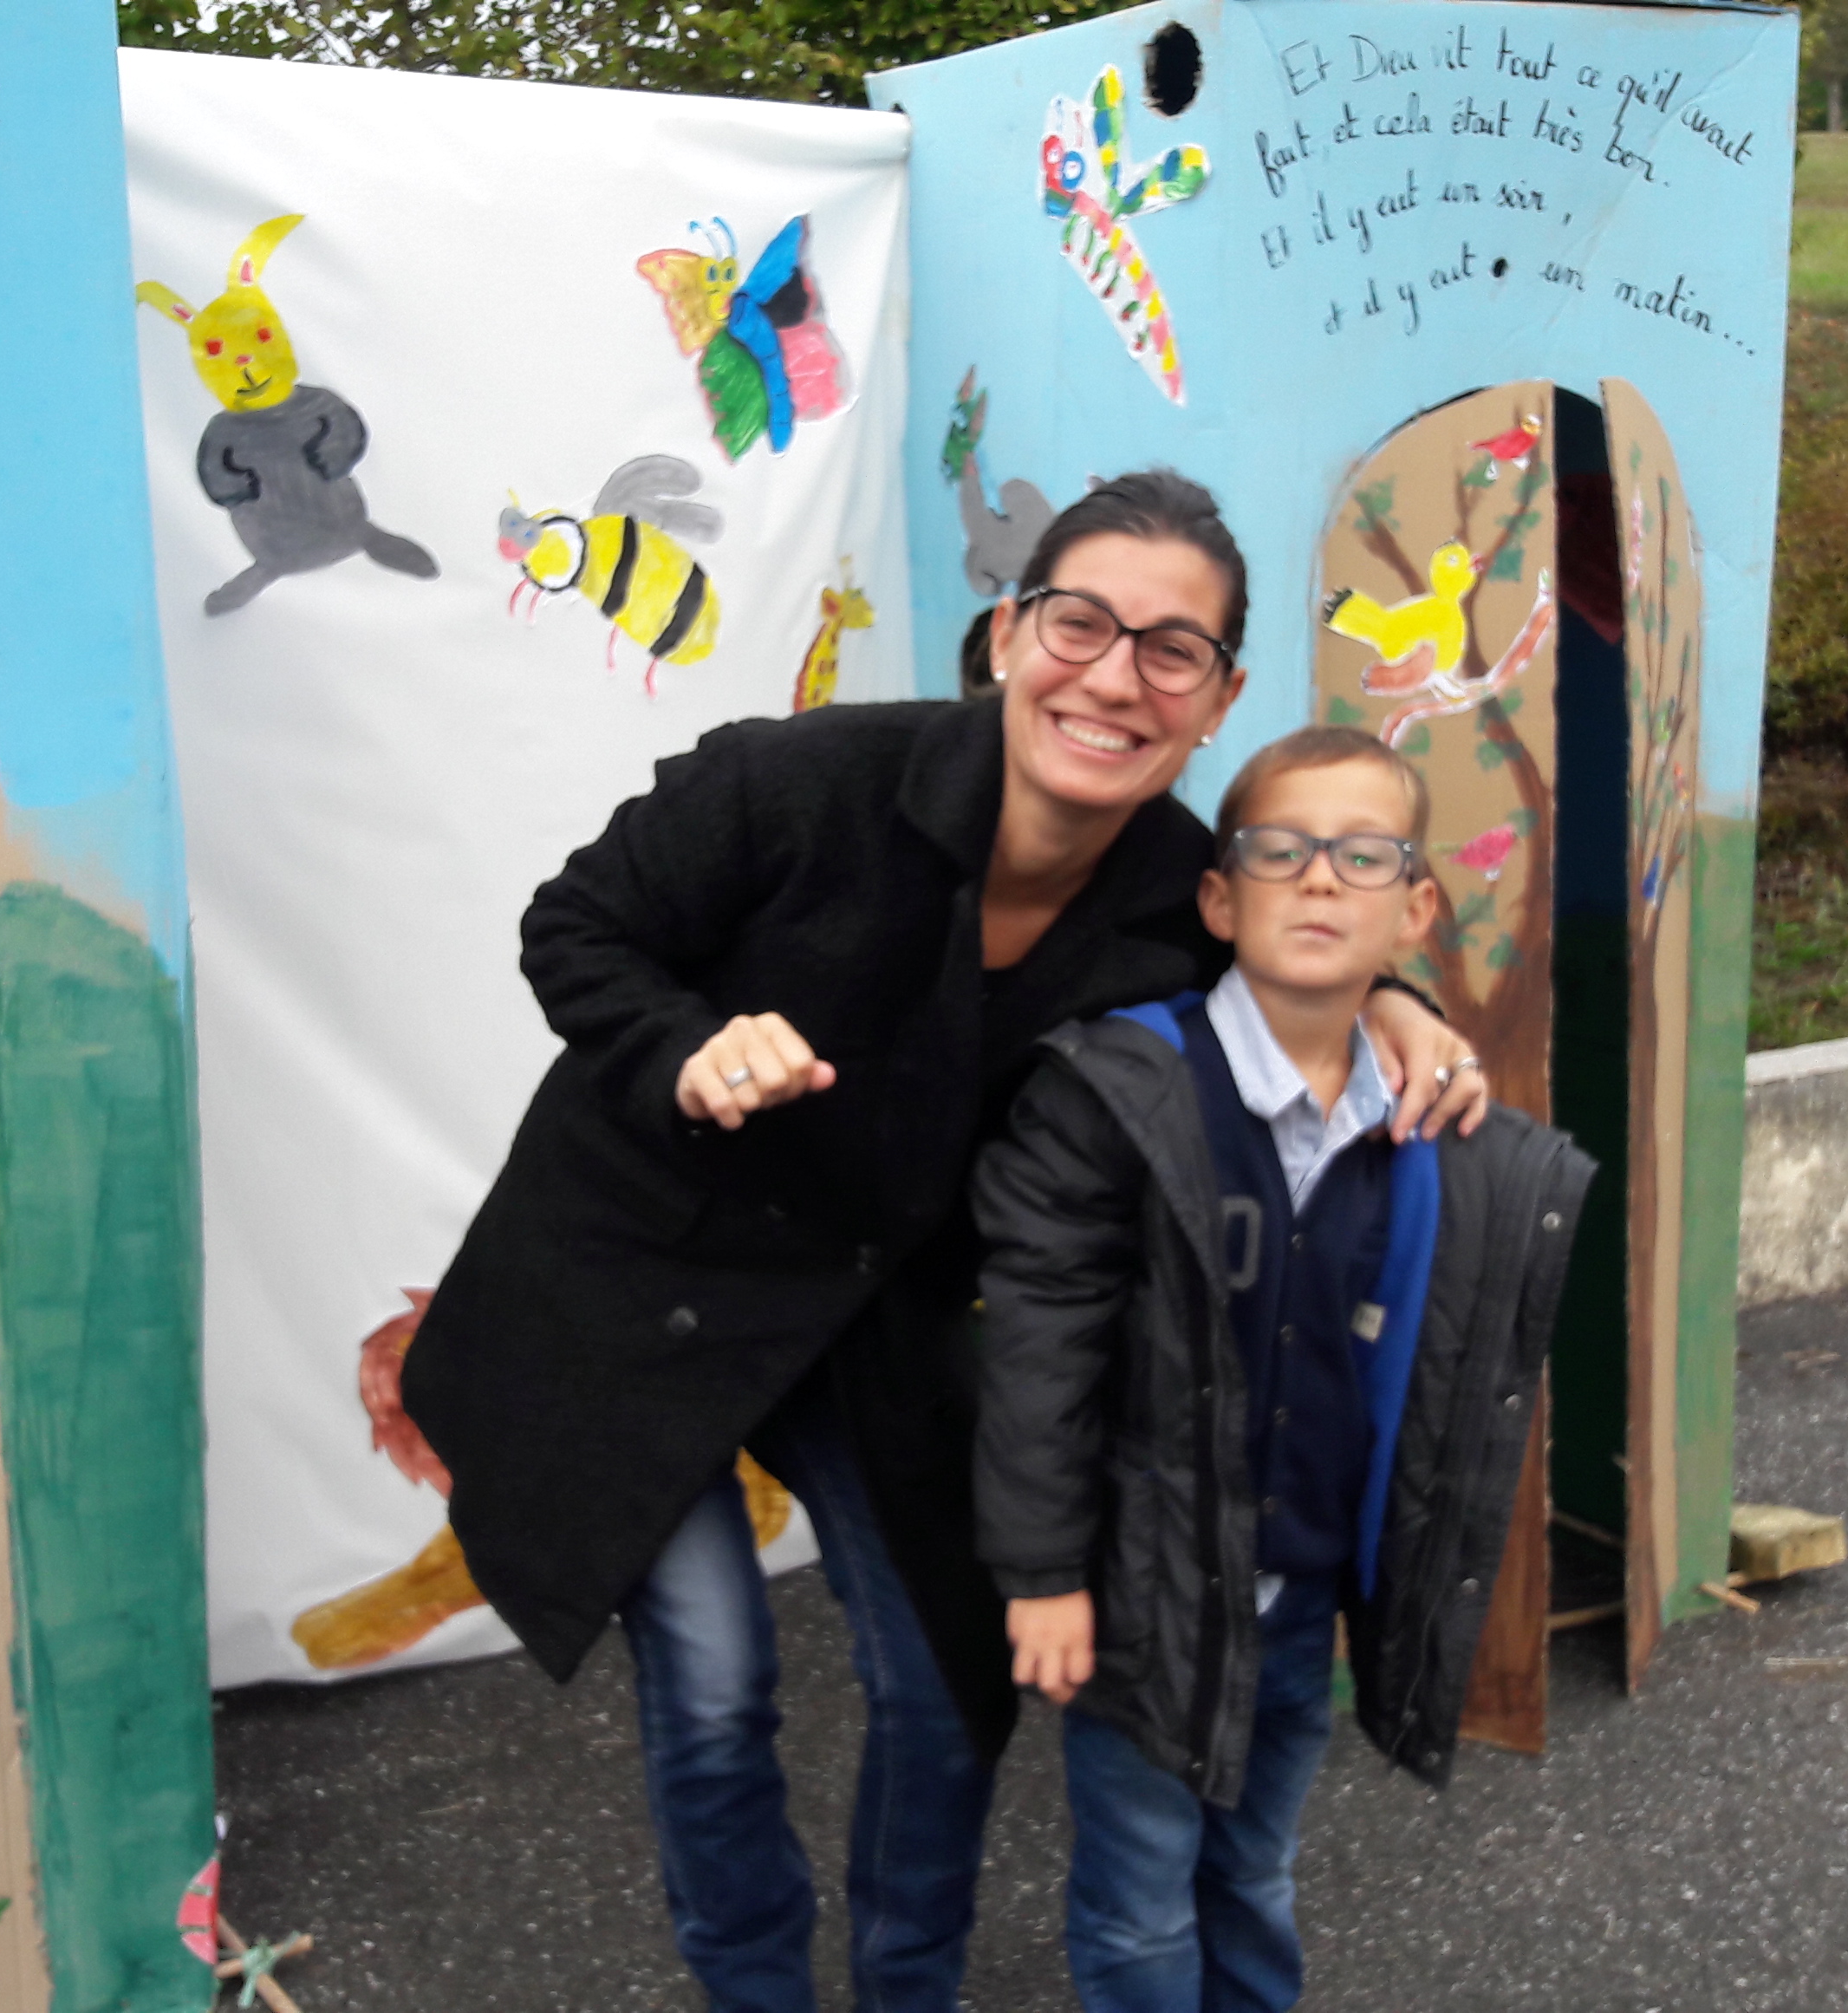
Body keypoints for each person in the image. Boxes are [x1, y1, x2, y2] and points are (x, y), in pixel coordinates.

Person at [401, 474, 1492, 2013]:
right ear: (1007, 634)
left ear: (1219, 695)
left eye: (1171, 650)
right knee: (714, 1677)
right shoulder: (801, 779)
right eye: (1081, 623)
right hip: (636, 1276)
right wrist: (688, 1045)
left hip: (865, 1303)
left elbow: (1290, 946)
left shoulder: (1174, 888)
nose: (1115, 677)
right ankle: (758, 1994)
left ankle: (904, 1988)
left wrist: (1396, 1002)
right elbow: (574, 925)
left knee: (943, 1677)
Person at [971, 726, 1597, 2013]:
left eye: (1364, 855)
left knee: (1254, 1870)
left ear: (1415, 907)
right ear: (1219, 898)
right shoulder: (1117, 1092)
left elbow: (1437, 1390)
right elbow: (1038, 1350)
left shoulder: (1439, 1138)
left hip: (1299, 1594)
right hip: (1144, 1592)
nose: (1319, 878)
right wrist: (1042, 1576)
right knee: (1141, 1903)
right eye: (1279, 850)